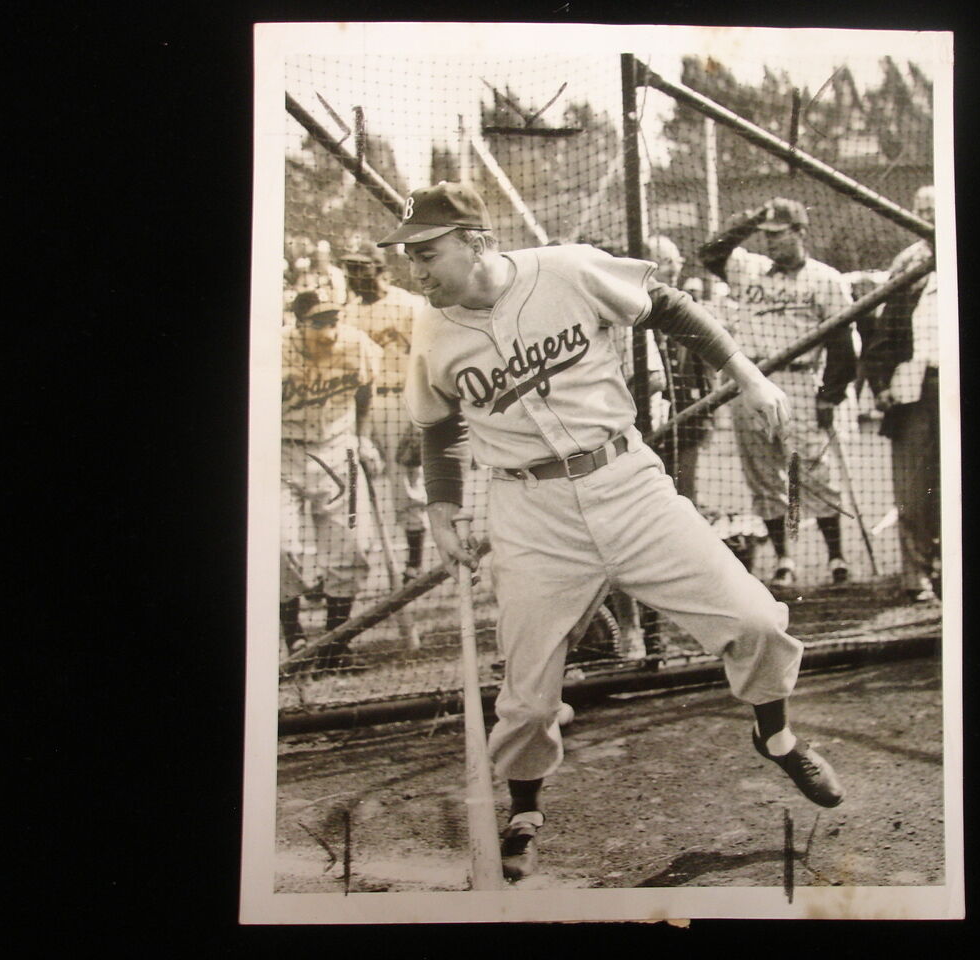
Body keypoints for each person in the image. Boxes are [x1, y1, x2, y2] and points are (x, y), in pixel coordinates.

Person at [382, 181, 844, 882]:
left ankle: (776, 736)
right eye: (406, 254)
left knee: (754, 620)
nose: (414, 269)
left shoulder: (564, 270)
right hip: (529, 512)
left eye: (426, 251)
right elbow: (439, 424)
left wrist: (748, 376)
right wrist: (442, 511)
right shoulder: (432, 326)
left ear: (477, 241)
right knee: (529, 694)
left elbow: (668, 306)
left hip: (626, 483)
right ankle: (526, 810)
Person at [698, 197, 858, 592]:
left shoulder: (826, 279)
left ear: (800, 232)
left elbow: (843, 345)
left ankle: (835, 555)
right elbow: (709, 253)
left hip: (798, 380)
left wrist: (829, 395)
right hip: (749, 380)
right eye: (765, 236)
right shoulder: (747, 267)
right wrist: (752, 221)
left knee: (812, 471)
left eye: (778, 234)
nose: (770, 243)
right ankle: (785, 559)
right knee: (763, 476)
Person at [279, 290, 383, 670]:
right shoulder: (273, 349)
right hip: (282, 449)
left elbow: (366, 389)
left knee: (352, 544)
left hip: (338, 446)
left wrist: (363, 436)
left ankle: (335, 643)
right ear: (298, 323)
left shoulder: (357, 344)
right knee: (278, 545)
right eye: (319, 321)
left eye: (333, 318)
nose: (330, 328)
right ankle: (295, 638)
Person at [861, 185, 941, 602]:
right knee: (913, 487)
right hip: (916, 385)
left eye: (934, 208)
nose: (927, 216)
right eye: (920, 210)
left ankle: (949, 564)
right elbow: (884, 332)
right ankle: (918, 574)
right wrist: (879, 383)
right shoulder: (908, 262)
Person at [339, 243, 429, 583]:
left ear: (378, 269)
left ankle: (414, 562)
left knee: (405, 485)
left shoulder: (409, 305)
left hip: (399, 401)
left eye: (360, 268)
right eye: (348, 268)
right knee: (350, 485)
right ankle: (349, 562)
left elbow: (428, 360)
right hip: (357, 406)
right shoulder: (347, 313)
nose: (352, 275)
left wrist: (420, 420)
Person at [648, 235, 716, 503]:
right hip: (651, 419)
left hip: (688, 416)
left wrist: (707, 414)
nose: (674, 268)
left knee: (686, 495)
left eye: (676, 260)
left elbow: (704, 365)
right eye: (665, 261)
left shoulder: (687, 308)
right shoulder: (635, 311)